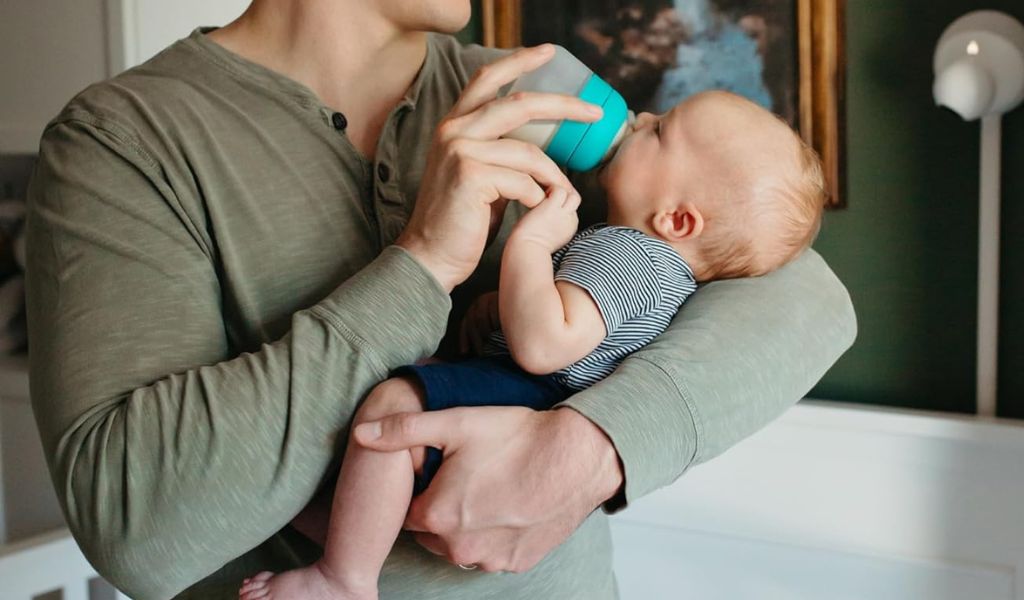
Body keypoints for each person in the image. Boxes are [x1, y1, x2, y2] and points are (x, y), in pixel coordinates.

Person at [24, 1, 856, 599]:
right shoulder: (122, 141)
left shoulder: (523, 91)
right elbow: (137, 531)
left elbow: (809, 297)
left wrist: (592, 449)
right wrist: (421, 264)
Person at [239, 89, 826, 600]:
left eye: (661, 130)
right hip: (535, 393)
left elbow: (546, 345)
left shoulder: (633, 254)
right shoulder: (654, 266)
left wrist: (530, 246)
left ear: (677, 221)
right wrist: (501, 307)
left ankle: (344, 580)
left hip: (536, 387)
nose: (642, 116)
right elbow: (578, 321)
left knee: (394, 409)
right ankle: (349, 532)